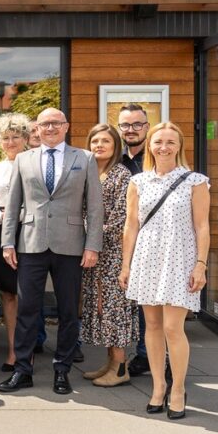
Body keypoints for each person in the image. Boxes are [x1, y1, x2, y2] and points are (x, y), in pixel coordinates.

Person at [0, 108, 103, 395]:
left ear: (66, 126)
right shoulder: (23, 159)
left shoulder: (85, 159)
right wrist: (8, 241)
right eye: (45, 124)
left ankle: (62, 369)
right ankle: (23, 370)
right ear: (37, 129)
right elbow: (12, 204)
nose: (50, 128)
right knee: (28, 309)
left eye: (56, 123)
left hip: (71, 245)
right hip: (30, 244)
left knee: (69, 310)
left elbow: (94, 207)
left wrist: (93, 245)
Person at [120, 122, 209, 420]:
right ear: (150, 145)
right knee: (153, 326)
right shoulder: (139, 182)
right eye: (159, 141)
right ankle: (158, 387)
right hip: (147, 258)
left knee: (173, 327)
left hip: (180, 258)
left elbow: (202, 226)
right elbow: (131, 226)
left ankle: (179, 388)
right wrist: (126, 264)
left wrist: (201, 264)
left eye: (170, 142)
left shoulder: (195, 181)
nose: (164, 147)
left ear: (179, 146)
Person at [80, 124, 137, 387]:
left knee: (114, 309)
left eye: (105, 141)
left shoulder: (122, 175)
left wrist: (89, 233)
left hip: (113, 252)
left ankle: (121, 366)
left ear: (116, 146)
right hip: (93, 253)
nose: (99, 145)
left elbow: (121, 219)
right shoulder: (90, 172)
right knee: (100, 307)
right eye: (95, 141)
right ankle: (110, 363)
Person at [0, 113, 31, 373]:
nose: (10, 142)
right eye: (6, 138)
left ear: (25, 139)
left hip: (28, 230)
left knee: (27, 294)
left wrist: (19, 215)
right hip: (0, 231)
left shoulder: (33, 164)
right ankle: (13, 350)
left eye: (15, 137)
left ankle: (27, 350)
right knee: (8, 294)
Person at [118, 103, 156, 378]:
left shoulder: (157, 156)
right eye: (125, 125)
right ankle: (128, 356)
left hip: (151, 240)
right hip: (120, 239)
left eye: (136, 125)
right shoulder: (116, 160)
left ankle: (150, 356)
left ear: (146, 126)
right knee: (124, 301)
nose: (131, 130)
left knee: (150, 303)